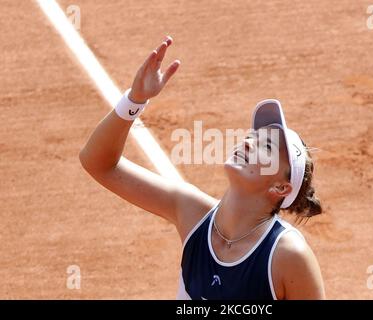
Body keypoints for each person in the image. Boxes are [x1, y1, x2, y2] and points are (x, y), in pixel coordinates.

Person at [79, 36, 325, 300]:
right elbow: (98, 164)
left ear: (280, 186)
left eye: (266, 147)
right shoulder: (191, 212)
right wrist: (134, 100)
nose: (248, 142)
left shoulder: (287, 255)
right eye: (253, 136)